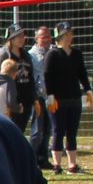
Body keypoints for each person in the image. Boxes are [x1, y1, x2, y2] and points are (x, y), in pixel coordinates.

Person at [44, 24, 93, 174]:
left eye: (70, 33)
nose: (70, 36)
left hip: (74, 98)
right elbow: (47, 76)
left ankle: (72, 165)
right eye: (67, 34)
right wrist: (50, 96)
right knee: (58, 131)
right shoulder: (52, 54)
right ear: (60, 36)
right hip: (58, 100)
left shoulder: (76, 54)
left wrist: (88, 90)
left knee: (72, 132)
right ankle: (57, 165)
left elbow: (82, 73)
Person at [27, 23, 59, 167]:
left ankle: (43, 159)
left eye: (48, 36)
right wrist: (34, 95)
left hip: (50, 97)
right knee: (37, 130)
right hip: (37, 97)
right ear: (36, 39)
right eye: (43, 37)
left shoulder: (53, 52)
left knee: (47, 129)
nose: (47, 39)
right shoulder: (31, 55)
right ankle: (31, 159)